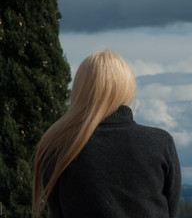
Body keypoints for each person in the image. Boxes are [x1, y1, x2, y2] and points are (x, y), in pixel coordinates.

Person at [33, 50, 181, 218]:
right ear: (127, 87)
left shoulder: (58, 147)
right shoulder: (160, 143)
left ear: (80, 89)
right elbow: (172, 212)